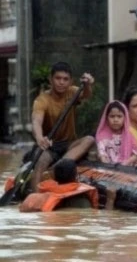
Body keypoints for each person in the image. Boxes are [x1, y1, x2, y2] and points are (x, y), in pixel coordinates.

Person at [30, 62, 95, 193]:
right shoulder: (42, 100)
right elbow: (36, 121)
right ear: (50, 79)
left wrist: (87, 84)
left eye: (65, 79)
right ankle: (35, 195)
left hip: (69, 145)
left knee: (89, 139)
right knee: (41, 160)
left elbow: (87, 95)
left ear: (71, 81)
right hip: (50, 145)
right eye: (58, 78)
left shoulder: (73, 92)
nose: (61, 82)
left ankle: (57, 168)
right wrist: (39, 137)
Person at [19, 159, 116, 212]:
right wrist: (110, 200)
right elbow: (104, 221)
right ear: (76, 177)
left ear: (54, 178)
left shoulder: (43, 195)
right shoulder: (82, 202)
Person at [95, 101, 137, 166]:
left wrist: (126, 163)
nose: (115, 119)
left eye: (119, 116)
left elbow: (136, 154)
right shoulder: (102, 136)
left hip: (126, 168)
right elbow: (102, 154)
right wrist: (107, 165)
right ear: (106, 118)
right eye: (112, 116)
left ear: (125, 118)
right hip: (107, 168)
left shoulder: (129, 136)